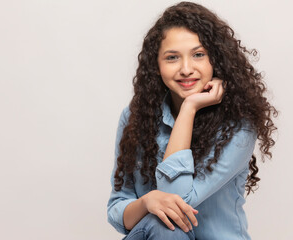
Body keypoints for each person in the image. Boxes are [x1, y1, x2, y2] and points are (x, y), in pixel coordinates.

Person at [107, 2, 278, 240]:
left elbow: (178, 200)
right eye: (172, 57)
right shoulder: (136, 118)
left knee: (169, 224)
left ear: (215, 60)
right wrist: (147, 202)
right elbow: (118, 208)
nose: (186, 69)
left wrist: (188, 108)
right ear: (156, 66)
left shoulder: (238, 125)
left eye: (198, 55)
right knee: (163, 225)